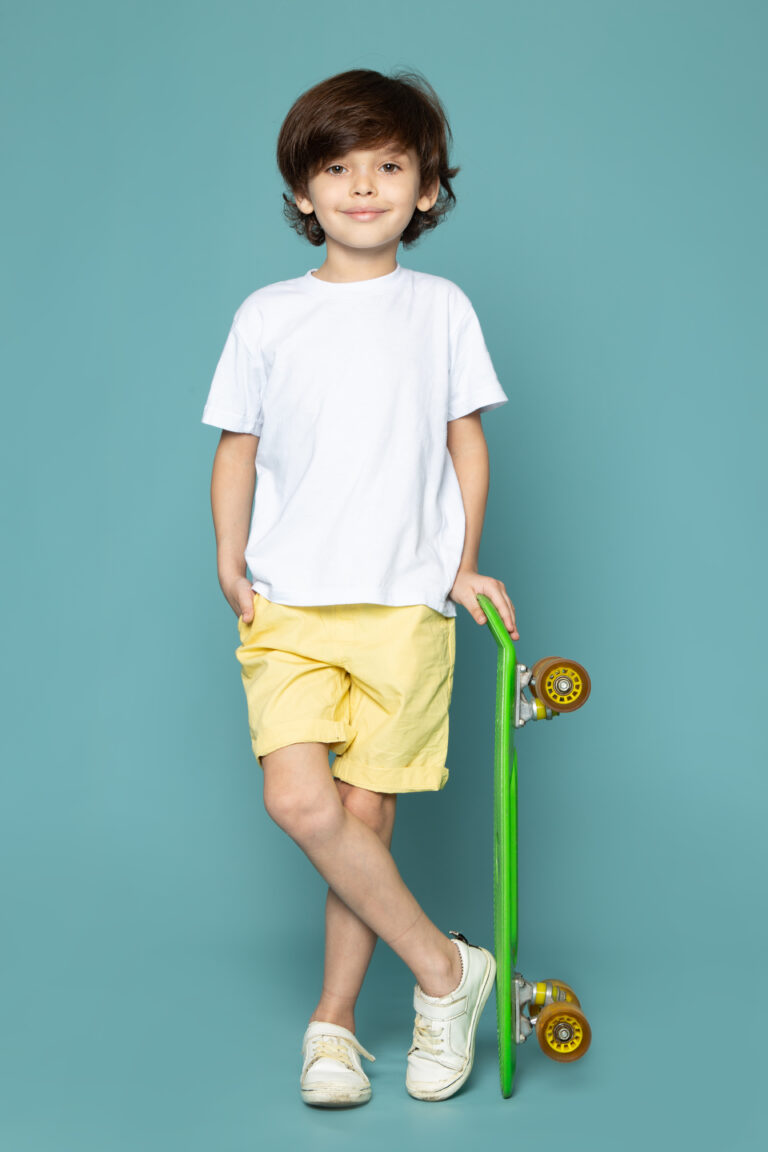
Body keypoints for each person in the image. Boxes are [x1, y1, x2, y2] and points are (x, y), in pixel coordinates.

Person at [202, 68, 519, 1107]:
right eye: (338, 168)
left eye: (390, 165)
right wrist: (228, 556)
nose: (364, 186)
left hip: (404, 606)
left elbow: (463, 444)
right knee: (299, 800)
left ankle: (332, 1029)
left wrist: (463, 562)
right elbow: (238, 449)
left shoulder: (440, 308)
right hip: (289, 601)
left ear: (427, 188)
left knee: (362, 823)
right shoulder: (267, 315)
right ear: (304, 192)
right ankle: (447, 971)